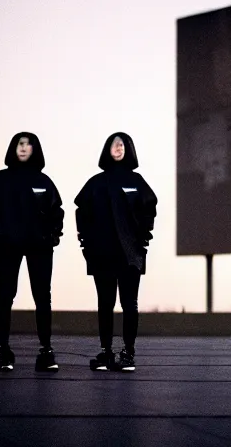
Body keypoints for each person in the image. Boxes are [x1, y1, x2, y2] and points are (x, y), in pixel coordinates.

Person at [0, 132, 64, 372]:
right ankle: (4, 352)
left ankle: (46, 352)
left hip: (39, 247)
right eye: (20, 144)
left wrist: (51, 237)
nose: (24, 148)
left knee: (43, 298)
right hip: (5, 246)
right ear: (13, 148)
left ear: (35, 149)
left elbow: (57, 211)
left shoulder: (44, 181)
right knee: (5, 297)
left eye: (28, 144)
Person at [74, 132, 157, 372]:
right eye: (114, 144)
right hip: (102, 253)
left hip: (131, 254)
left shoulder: (137, 181)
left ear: (128, 149)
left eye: (122, 144)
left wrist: (143, 241)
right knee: (105, 303)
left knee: (129, 303)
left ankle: (129, 354)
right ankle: (106, 352)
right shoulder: (96, 182)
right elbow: (82, 212)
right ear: (107, 150)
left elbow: (149, 210)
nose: (118, 147)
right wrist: (86, 245)